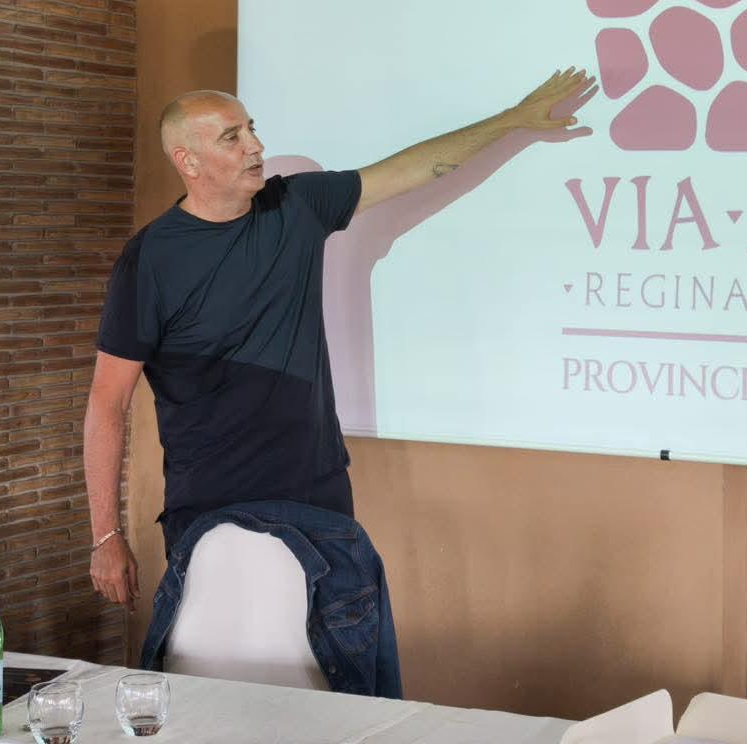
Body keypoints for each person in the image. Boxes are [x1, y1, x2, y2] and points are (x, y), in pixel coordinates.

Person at [84, 68, 597, 610]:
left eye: (252, 128)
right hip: (212, 505)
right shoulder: (151, 260)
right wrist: (106, 536)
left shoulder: (297, 205)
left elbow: (415, 167)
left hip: (318, 494)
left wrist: (513, 119)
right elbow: (107, 400)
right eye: (232, 137)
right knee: (222, 658)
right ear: (187, 160)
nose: (255, 146)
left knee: (334, 652)